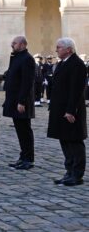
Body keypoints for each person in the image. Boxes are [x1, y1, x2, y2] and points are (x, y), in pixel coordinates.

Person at [48, 38, 87, 186]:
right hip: (60, 109)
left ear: (68, 49)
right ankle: (69, 171)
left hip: (71, 110)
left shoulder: (77, 64)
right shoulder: (62, 63)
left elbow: (76, 91)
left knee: (74, 142)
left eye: (59, 47)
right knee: (64, 140)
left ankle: (77, 175)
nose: (56, 49)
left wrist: (71, 111)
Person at [3, 36, 36, 170]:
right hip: (14, 100)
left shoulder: (27, 59)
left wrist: (22, 101)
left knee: (25, 130)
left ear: (22, 44)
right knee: (20, 130)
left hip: (22, 102)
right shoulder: (16, 57)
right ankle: (23, 157)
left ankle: (28, 159)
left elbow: (27, 82)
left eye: (14, 43)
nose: (12, 45)